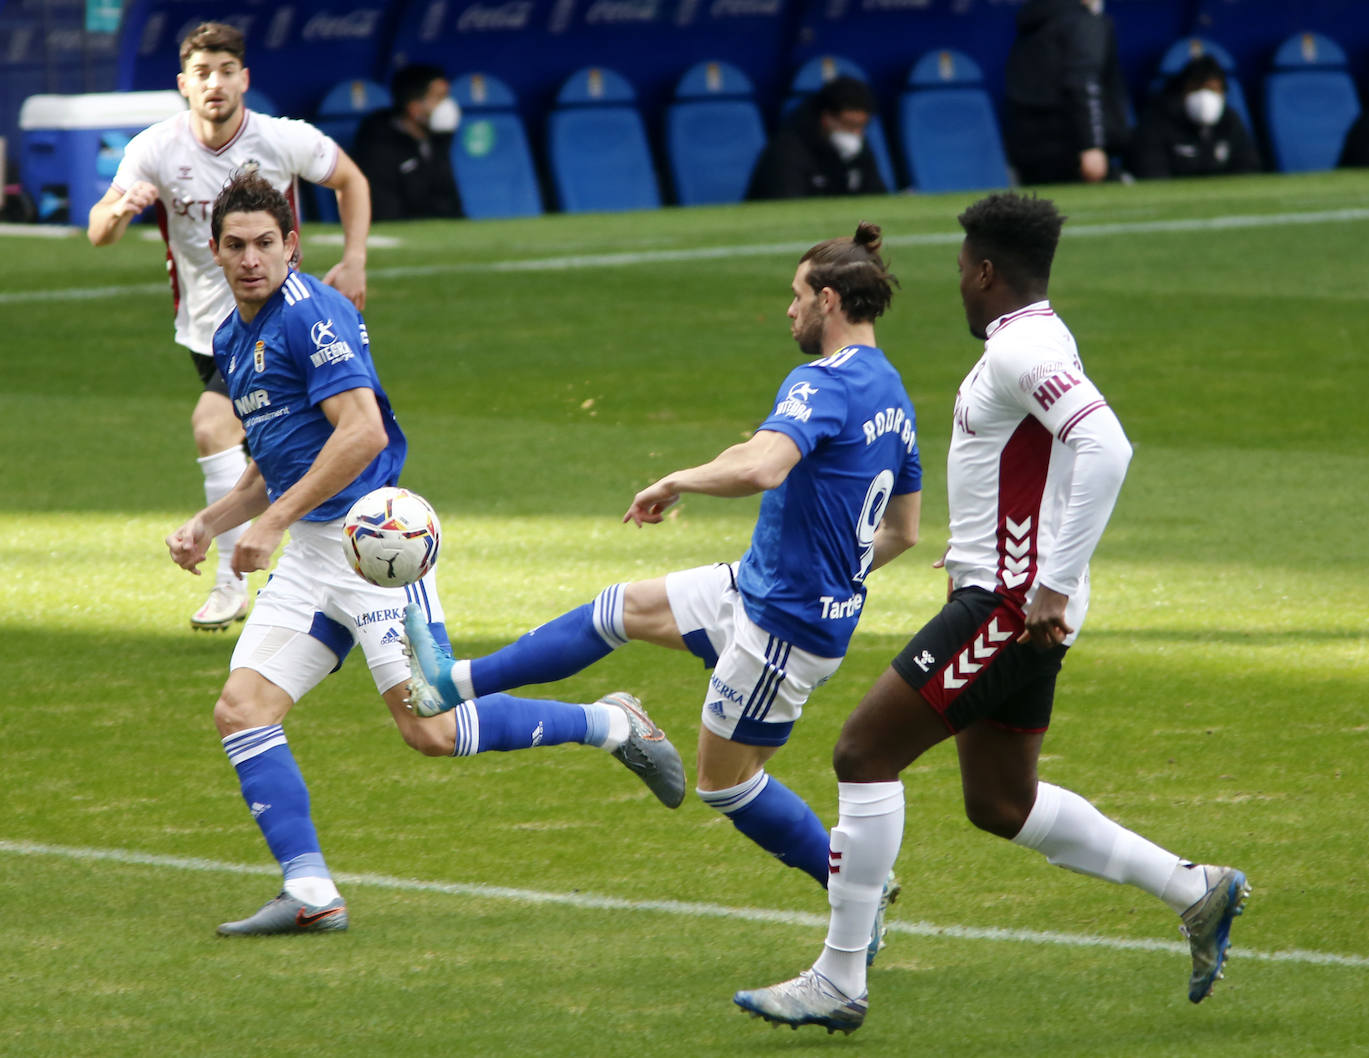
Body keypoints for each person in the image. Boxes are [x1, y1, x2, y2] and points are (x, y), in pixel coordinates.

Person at [733, 192, 1250, 1033]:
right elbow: (1032, 461)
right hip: (1005, 590)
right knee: (1001, 802)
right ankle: (1195, 890)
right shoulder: (1031, 342)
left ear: (983, 271)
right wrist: (988, 548)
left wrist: (1048, 580)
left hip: (1010, 607)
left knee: (863, 753)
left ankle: (838, 979)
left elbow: (1106, 444)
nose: (958, 289)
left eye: (960, 273)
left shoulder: (1025, 349)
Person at [167, 171, 685, 936]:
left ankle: (612, 725)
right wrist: (212, 521)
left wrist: (270, 523)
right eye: (236, 245)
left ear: (292, 246)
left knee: (431, 727)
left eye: (265, 244)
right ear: (214, 251)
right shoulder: (232, 336)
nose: (251, 258)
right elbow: (276, 453)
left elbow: (363, 433)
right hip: (310, 557)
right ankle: (311, 891)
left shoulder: (314, 317)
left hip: (376, 548)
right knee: (242, 710)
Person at [403, 222, 922, 958]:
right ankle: (451, 683)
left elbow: (764, 467)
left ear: (830, 300)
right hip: (764, 589)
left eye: (797, 296)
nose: (790, 311)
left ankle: (856, 890)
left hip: (785, 626)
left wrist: (679, 479)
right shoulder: (892, 391)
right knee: (621, 609)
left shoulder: (822, 380)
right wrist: (837, 570)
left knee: (724, 783)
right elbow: (902, 530)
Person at [87, 21, 371, 631]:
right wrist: (118, 209)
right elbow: (97, 232)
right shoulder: (153, 149)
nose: (214, 83)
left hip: (278, 320)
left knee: (215, 424)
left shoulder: (283, 139)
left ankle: (231, 581)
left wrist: (355, 259)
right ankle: (330, 563)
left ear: (244, 78)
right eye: (202, 73)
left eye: (225, 71)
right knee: (274, 447)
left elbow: (352, 180)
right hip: (207, 330)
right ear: (183, 85)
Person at [1003, 0, 1131, 184]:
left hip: (1029, 146)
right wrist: (1091, 145)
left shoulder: (1035, 21)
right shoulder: (1082, 22)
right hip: (1070, 147)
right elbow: (1083, 83)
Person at [747, 77, 889, 200]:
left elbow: (877, 195)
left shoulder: (860, 146)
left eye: (862, 126)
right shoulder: (786, 150)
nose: (856, 133)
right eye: (849, 125)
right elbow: (786, 205)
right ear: (827, 118)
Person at [352, 64, 463, 221]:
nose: (448, 106)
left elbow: (451, 204)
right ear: (414, 108)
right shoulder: (377, 145)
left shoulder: (440, 140)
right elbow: (384, 213)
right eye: (439, 98)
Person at [1128, 55, 1260, 179]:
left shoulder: (1230, 120)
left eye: (1213, 90)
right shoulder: (1156, 121)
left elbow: (1248, 169)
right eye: (1196, 89)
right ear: (1183, 91)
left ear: (1223, 93)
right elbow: (1151, 173)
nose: (1205, 97)